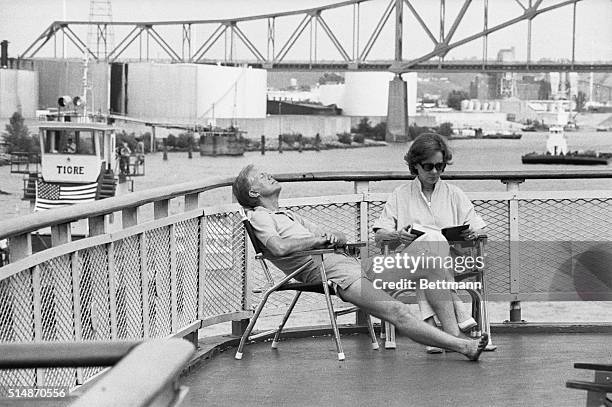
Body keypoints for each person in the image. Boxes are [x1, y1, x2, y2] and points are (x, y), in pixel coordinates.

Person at [232, 164, 489, 361]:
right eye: (261, 176)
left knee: (430, 254)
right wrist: (317, 242)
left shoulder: (287, 214)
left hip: (355, 265)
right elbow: (277, 247)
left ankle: (453, 332)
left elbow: (337, 236)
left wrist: (333, 237)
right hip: (337, 276)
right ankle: (462, 346)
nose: (268, 175)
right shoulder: (261, 216)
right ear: (254, 192)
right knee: (398, 311)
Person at [373, 133, 486, 353]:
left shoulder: (455, 194)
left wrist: (473, 232)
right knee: (432, 241)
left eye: (440, 166)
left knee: (431, 253)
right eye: (428, 166)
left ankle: (433, 329)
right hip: (413, 263)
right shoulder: (400, 194)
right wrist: (397, 236)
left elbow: (479, 227)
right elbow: (379, 235)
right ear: (415, 165)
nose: (434, 172)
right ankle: (456, 318)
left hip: (446, 264)